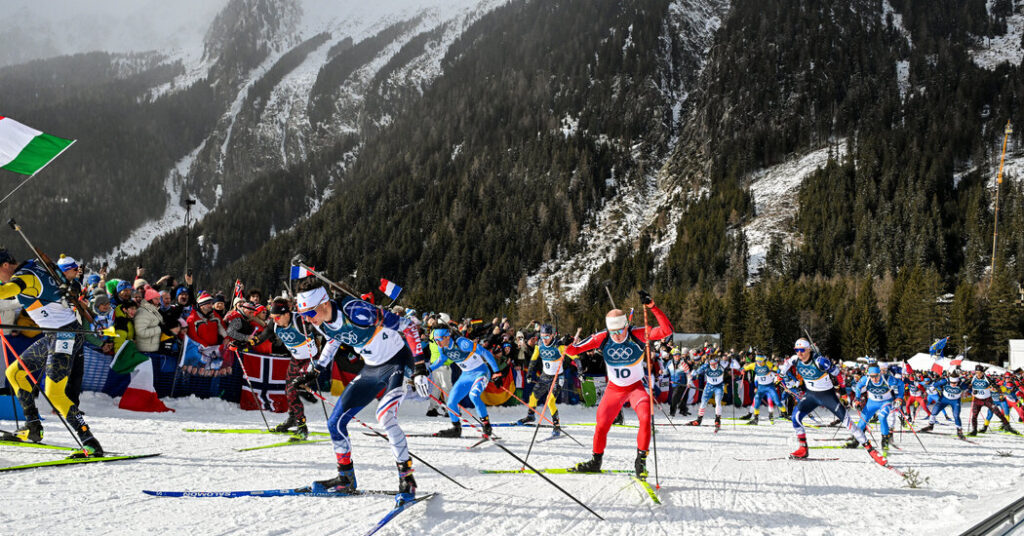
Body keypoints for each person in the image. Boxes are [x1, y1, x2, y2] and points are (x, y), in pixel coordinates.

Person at [296, 281, 424, 506]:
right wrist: (316, 369)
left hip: (397, 361)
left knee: (385, 416)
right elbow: (334, 339)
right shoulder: (321, 322)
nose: (307, 319)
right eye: (302, 314)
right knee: (334, 423)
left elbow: (409, 327)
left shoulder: (357, 311)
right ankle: (345, 478)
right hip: (372, 369)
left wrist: (420, 366)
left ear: (323, 302)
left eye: (309, 312)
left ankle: (407, 480)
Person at [0, 250, 103, 456]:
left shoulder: (24, 276)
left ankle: (90, 442)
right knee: (15, 373)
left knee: (55, 392)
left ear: (4, 266)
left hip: (65, 335)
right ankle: (33, 427)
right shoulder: (33, 266)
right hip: (53, 335)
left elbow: (7, 291)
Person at [567, 290, 672, 479]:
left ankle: (640, 461)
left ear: (626, 326)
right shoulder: (602, 337)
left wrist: (652, 306)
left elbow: (666, 331)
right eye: (612, 332)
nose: (616, 335)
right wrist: (565, 344)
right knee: (601, 425)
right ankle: (595, 461)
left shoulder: (638, 334)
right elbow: (573, 350)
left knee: (646, 419)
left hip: (635, 388)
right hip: (614, 390)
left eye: (620, 331)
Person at [779, 338, 886, 466]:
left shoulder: (819, 361)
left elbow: (837, 373)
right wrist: (780, 375)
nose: (799, 353)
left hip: (827, 396)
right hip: (811, 395)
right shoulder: (795, 359)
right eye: (797, 350)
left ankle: (872, 451)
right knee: (796, 417)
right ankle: (803, 448)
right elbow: (785, 366)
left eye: (802, 350)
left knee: (848, 423)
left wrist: (841, 388)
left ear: (808, 349)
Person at [426, 325, 501, 438]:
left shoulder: (462, 343)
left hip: (480, 372)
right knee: (451, 403)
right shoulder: (442, 347)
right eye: (435, 340)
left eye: (440, 339)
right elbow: (442, 359)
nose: (437, 342)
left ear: (447, 336)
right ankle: (456, 429)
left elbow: (485, 352)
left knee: (474, 396)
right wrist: (428, 370)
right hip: (466, 375)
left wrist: (496, 372)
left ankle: (486, 425)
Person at [265, 298, 318, 439]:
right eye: (272, 317)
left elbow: (320, 328)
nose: (274, 320)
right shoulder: (276, 323)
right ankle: (293, 419)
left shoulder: (299, 321)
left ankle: (302, 427)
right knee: (288, 390)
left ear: (286, 314)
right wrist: (245, 343)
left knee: (292, 391)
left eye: (277, 317)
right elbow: (263, 336)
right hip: (296, 360)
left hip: (310, 360)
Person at [516, 324, 578, 436]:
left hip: (557, 377)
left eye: (547, 337)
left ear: (552, 335)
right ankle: (531, 416)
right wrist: (529, 374)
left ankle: (556, 426)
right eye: (542, 336)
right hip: (545, 376)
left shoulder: (559, 346)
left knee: (550, 401)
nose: (544, 339)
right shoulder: (539, 345)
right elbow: (534, 359)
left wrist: (581, 371)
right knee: (533, 397)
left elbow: (575, 357)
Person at [844, 365, 904, 450]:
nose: (875, 378)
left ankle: (885, 441)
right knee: (862, 421)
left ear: (880, 374)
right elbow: (858, 387)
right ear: (869, 375)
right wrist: (857, 398)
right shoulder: (866, 379)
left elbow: (901, 384)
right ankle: (856, 441)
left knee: (882, 417)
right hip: (872, 402)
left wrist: (899, 397)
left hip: (885, 402)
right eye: (872, 376)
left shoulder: (888, 379)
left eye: (876, 376)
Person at [967, 365, 1017, 436]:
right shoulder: (973, 378)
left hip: (987, 400)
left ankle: (1008, 427)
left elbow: (997, 387)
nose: (978, 374)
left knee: (998, 413)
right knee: (974, 416)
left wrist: (1000, 394)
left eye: (980, 372)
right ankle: (974, 430)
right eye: (977, 372)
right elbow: (967, 386)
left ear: (983, 372)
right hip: (977, 400)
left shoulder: (987, 379)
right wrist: (971, 391)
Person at [918, 372, 968, 439]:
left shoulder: (961, 383)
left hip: (955, 400)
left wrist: (970, 390)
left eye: (955, 383)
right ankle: (930, 425)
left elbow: (968, 388)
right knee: (934, 411)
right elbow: (937, 384)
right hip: (944, 399)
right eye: (952, 382)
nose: (953, 384)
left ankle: (959, 431)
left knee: (956, 415)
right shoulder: (946, 381)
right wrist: (932, 387)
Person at [688, 356, 727, 431]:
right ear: (709, 363)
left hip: (719, 386)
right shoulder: (706, 366)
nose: (714, 366)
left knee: (718, 402)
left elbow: (734, 366)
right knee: (703, 403)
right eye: (712, 364)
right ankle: (698, 420)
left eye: (715, 364)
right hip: (709, 386)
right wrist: (689, 380)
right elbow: (694, 373)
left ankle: (717, 420)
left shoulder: (721, 365)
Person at [741, 353, 780, 425]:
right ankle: (750, 414)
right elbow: (756, 378)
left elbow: (776, 377)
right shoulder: (758, 368)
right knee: (755, 400)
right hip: (760, 386)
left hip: (768, 387)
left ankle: (771, 415)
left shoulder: (770, 371)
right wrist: (756, 387)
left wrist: (776, 383)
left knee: (769, 400)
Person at [666, 347, 690, 417]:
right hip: (673, 383)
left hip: (681, 384)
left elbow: (688, 374)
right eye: (676, 355)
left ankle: (672, 412)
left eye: (678, 355)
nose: (677, 357)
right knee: (679, 398)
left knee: (674, 397)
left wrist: (689, 382)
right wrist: (661, 373)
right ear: (673, 356)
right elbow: (666, 371)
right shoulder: (669, 363)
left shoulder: (683, 364)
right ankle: (683, 410)